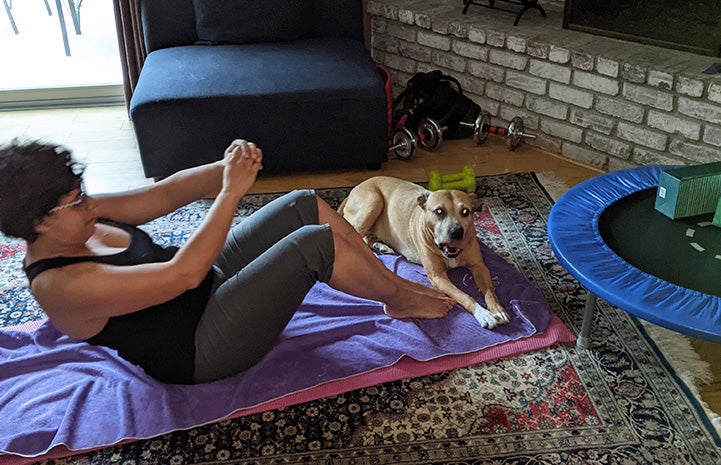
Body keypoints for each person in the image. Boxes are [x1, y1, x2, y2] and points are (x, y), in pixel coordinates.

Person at [0, 138, 455, 384]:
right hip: (200, 347)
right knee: (313, 244)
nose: (90, 204)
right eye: (75, 201)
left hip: (206, 288)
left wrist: (229, 165)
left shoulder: (80, 216)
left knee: (303, 204)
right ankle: (399, 297)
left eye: (82, 194)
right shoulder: (59, 286)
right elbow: (183, 274)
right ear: (40, 222)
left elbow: (167, 192)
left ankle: (393, 295)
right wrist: (231, 191)